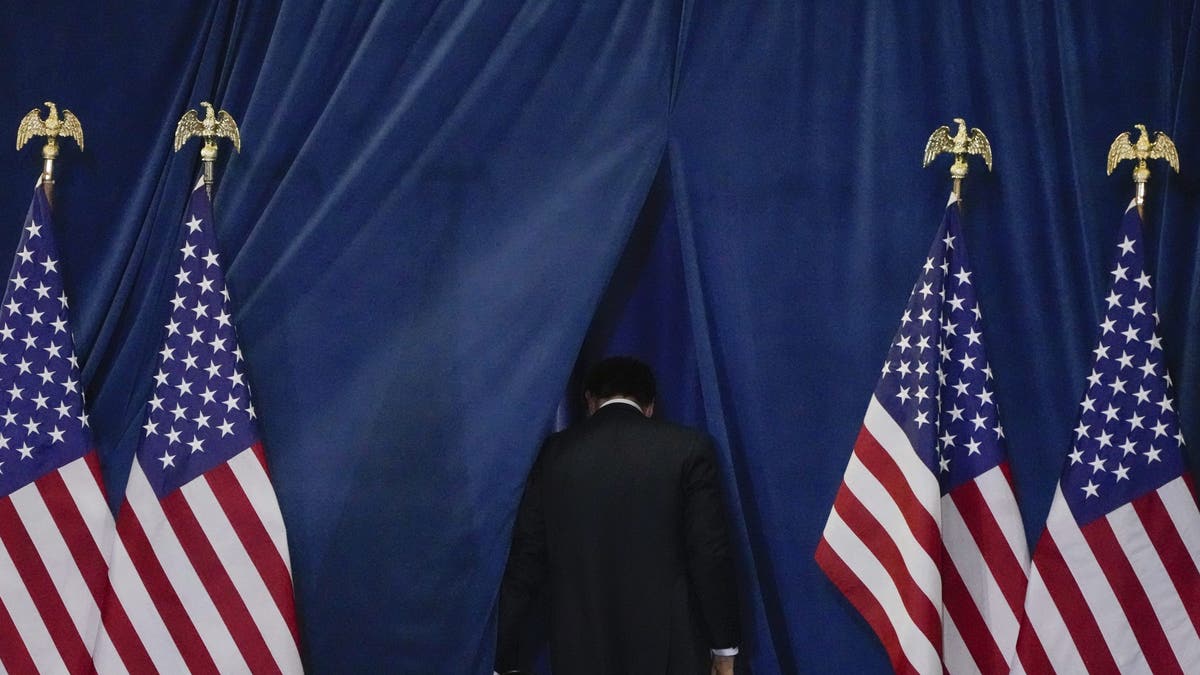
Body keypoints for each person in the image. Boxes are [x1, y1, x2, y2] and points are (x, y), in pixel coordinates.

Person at [496, 356, 740, 675]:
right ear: (650, 405)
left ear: (589, 401)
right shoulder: (689, 449)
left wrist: (503, 660)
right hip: (670, 654)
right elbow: (709, 554)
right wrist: (724, 648)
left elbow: (525, 562)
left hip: (578, 653)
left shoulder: (553, 455)